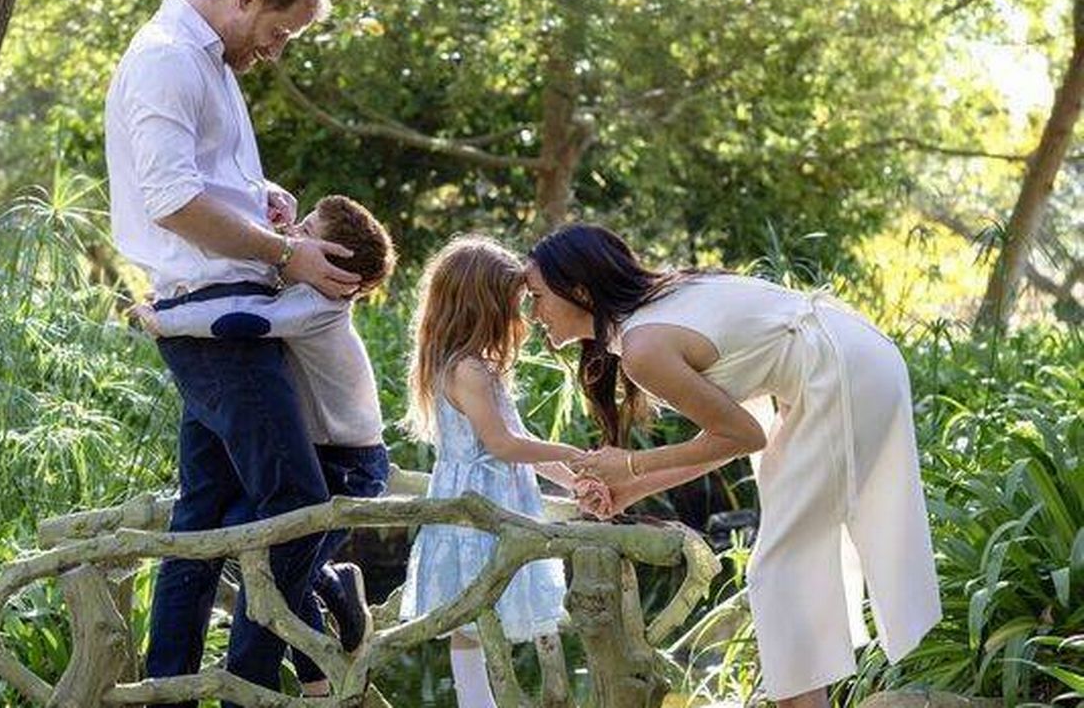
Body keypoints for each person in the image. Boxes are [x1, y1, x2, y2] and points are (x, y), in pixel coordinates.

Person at [526, 224, 941, 708]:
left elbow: (744, 435)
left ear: (577, 289)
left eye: (535, 297)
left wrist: (631, 465)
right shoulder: (654, 313)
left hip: (841, 372)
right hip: (850, 357)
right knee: (788, 568)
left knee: (779, 569)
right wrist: (631, 488)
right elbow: (726, 439)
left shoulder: (643, 347)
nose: (533, 314)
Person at [105, 0, 359, 706]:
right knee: (297, 507)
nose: (275, 52)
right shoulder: (168, 60)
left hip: (224, 315)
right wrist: (288, 253)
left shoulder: (207, 61)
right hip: (219, 325)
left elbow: (204, 182)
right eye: (280, 33)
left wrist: (262, 197)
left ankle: (171, 685)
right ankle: (253, 684)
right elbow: (173, 203)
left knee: (204, 518)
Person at [131, 195, 395, 698]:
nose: (295, 233)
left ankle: (313, 633)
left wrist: (167, 319)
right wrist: (274, 222)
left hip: (350, 463)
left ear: (334, 262)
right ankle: (320, 664)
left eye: (309, 229)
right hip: (328, 450)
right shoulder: (300, 290)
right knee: (263, 547)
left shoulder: (317, 304)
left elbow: (243, 319)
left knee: (276, 550)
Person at [398, 237, 581, 708]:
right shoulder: (467, 370)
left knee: (480, 618)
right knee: (475, 618)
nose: (521, 318)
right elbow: (502, 445)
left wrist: (576, 482)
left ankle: (480, 702)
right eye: (514, 306)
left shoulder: (474, 366)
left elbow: (517, 441)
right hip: (478, 509)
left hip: (489, 500)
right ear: (484, 306)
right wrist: (575, 453)